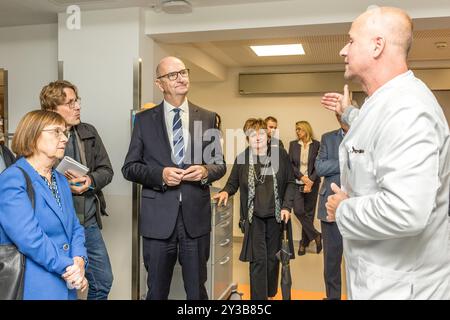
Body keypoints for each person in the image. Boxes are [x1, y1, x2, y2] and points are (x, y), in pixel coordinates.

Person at [321, 7, 450, 299]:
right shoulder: (384, 103)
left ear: (377, 45)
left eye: (351, 41)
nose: (343, 50)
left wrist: (342, 209)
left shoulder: (408, 110)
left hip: (403, 286)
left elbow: (406, 211)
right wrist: (349, 113)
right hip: (379, 276)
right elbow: (376, 132)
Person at [122, 56, 226, 300]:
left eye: (183, 72)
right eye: (172, 75)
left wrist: (204, 171)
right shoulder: (145, 120)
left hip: (195, 220)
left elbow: (219, 165)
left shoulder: (207, 117)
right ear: (160, 84)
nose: (181, 78)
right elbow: (130, 167)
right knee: (156, 290)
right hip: (158, 221)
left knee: (196, 291)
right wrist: (160, 174)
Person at [0, 110, 88, 299]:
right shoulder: (13, 179)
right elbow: (30, 239)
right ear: (33, 135)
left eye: (65, 132)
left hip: (67, 283)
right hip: (32, 285)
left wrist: (80, 260)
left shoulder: (61, 180)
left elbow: (75, 227)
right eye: (56, 132)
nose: (64, 138)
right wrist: (69, 268)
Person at [40, 80, 114, 300]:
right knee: (58, 288)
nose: (77, 106)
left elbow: (106, 170)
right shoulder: (39, 137)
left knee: (102, 282)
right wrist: (62, 185)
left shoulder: (88, 131)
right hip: (53, 226)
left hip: (86, 223)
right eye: (70, 103)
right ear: (52, 109)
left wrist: (89, 180)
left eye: (77, 101)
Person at [214, 118, 295, 300]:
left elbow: (290, 182)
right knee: (258, 261)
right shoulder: (242, 158)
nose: (256, 138)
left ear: (267, 136)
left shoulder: (280, 155)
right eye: (251, 135)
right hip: (254, 218)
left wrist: (287, 207)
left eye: (260, 134)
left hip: (276, 217)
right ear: (247, 138)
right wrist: (226, 192)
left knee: (273, 260)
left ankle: (269, 294)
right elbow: (232, 183)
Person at [315, 113, 349, 300]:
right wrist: (347, 162)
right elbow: (320, 168)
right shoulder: (328, 138)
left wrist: (335, 164)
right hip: (330, 208)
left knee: (358, 262)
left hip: (358, 207)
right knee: (331, 263)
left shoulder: (366, 135)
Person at [288, 121, 322, 256]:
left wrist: (310, 181)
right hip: (298, 182)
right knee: (298, 210)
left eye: (300, 129)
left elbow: (319, 164)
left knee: (309, 213)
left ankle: (303, 242)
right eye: (296, 129)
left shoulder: (317, 144)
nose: (297, 132)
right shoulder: (293, 144)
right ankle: (317, 235)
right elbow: (291, 164)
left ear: (306, 130)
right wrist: (303, 178)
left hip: (312, 183)